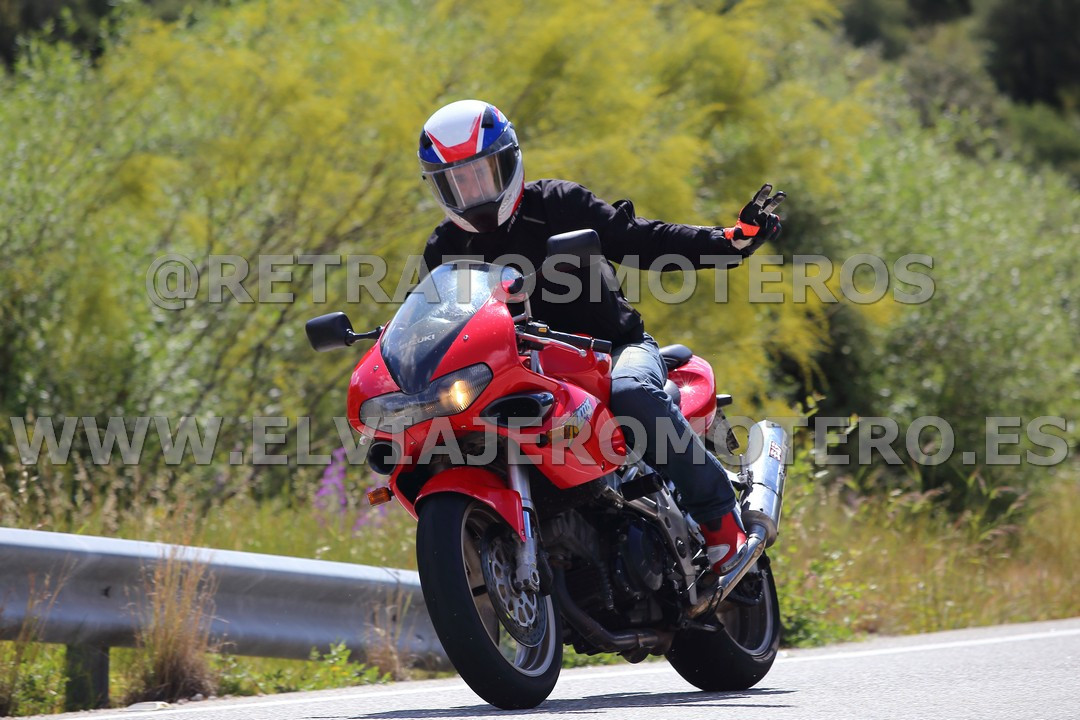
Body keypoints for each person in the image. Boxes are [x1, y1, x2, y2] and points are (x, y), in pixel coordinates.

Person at [417, 99, 784, 575]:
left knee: (631, 391)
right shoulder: (444, 249)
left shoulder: (558, 204)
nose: (473, 191)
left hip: (612, 352)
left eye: (481, 174)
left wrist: (728, 240)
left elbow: (642, 239)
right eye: (457, 181)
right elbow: (432, 320)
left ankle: (720, 524)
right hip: (518, 375)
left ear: (508, 162)